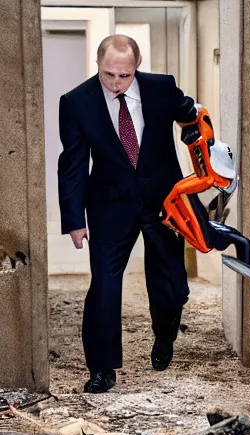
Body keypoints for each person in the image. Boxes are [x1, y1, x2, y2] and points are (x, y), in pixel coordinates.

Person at [57, 35, 198, 393]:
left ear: (136, 65)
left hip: (163, 202)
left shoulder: (161, 87)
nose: (117, 83)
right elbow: (72, 164)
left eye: (125, 75)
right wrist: (74, 219)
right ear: (98, 64)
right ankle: (102, 369)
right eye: (109, 75)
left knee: (171, 286)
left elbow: (191, 115)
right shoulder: (76, 102)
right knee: (104, 286)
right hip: (109, 205)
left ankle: (164, 336)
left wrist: (202, 138)